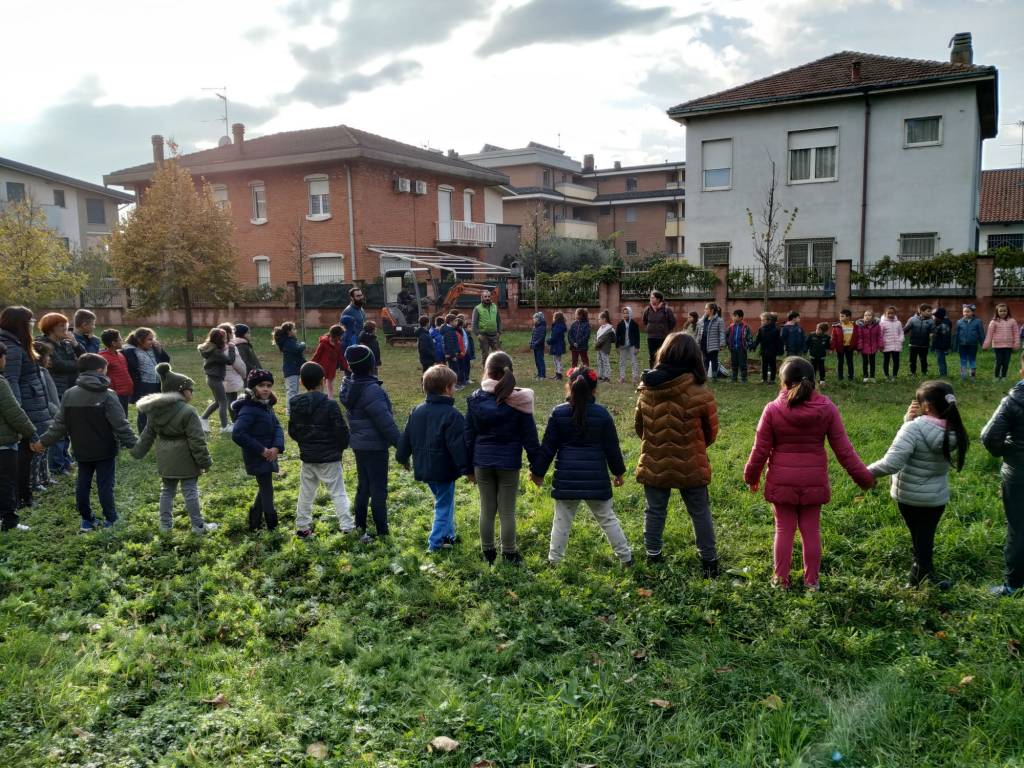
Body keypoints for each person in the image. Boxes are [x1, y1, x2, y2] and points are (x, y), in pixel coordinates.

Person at [744, 357, 875, 591]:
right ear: (813, 382)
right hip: (814, 482)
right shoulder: (827, 409)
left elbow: (760, 450)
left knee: (783, 530)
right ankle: (812, 582)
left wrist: (751, 477)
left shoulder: (773, 409)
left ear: (783, 382)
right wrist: (864, 478)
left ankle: (780, 580)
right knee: (811, 531)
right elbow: (844, 451)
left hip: (781, 482)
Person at [867, 381, 967, 589]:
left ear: (927, 407)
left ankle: (919, 576)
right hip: (936, 499)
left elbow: (892, 463)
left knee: (918, 536)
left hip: (910, 497)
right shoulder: (954, 430)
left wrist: (865, 473)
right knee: (925, 536)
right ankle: (923, 572)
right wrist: (908, 421)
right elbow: (927, 436)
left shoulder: (913, 428)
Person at [634, 332, 719, 573]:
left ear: (663, 353)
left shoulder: (646, 389)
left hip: (654, 461)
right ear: (695, 358)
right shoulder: (701, 392)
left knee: (654, 510)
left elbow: (640, 429)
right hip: (691, 462)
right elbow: (710, 433)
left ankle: (653, 555)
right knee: (700, 511)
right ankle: (709, 561)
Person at [531, 366, 631, 566]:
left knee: (561, 522)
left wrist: (538, 472)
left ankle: (554, 560)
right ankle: (626, 557)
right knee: (607, 519)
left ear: (569, 387)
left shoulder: (558, 414)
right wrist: (618, 472)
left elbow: (548, 447)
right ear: (594, 390)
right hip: (596, 479)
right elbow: (612, 448)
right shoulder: (602, 415)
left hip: (567, 479)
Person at [34, 353, 138, 531]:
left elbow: (59, 425)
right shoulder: (108, 394)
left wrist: (42, 442)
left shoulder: (69, 394)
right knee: (105, 485)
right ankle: (111, 519)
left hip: (81, 450)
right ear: (100, 370)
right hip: (105, 450)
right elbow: (121, 425)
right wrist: (136, 446)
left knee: (83, 483)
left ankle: (86, 520)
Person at [465, 351, 541, 564]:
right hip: (508, 464)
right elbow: (531, 440)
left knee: (486, 509)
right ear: (509, 373)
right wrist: (537, 469)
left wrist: (468, 468)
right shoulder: (521, 401)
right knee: (507, 511)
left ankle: (487, 552)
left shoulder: (474, 400)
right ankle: (509, 553)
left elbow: (468, 436)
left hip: (482, 462)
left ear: (487, 371)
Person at [131, 362, 217, 534]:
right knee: (190, 490)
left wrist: (137, 451)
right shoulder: (188, 411)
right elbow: (197, 440)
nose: (192, 391)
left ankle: (165, 526)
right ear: (180, 390)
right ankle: (198, 526)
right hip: (185, 456)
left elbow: (148, 434)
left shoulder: (155, 410)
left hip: (164, 455)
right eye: (189, 388)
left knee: (167, 490)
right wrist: (204, 461)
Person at [396, 364, 470, 552]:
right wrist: (468, 470)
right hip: (443, 469)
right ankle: (435, 543)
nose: (454, 389)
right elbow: (459, 447)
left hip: (424, 467)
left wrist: (402, 456)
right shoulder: (452, 416)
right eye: (454, 386)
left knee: (444, 501)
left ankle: (448, 536)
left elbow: (406, 437)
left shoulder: (416, 411)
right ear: (447, 389)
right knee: (443, 505)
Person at [340, 344, 401, 543]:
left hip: (359, 445)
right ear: (371, 365)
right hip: (375, 447)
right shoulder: (371, 391)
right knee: (378, 489)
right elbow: (385, 423)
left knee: (363, 487)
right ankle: (383, 532)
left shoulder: (349, 386)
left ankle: (360, 527)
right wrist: (402, 445)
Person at [288, 362, 353, 539]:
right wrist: (341, 446)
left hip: (308, 457)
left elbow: (293, 431)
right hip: (329, 457)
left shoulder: (294, 403)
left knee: (306, 493)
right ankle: (347, 527)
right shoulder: (330, 405)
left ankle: (302, 527)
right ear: (323, 381)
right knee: (338, 492)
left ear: (301, 382)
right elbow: (341, 430)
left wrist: (305, 443)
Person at [981, 351, 1024, 596]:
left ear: (1021, 371)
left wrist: (1007, 450)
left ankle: (1014, 584)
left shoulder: (1014, 400)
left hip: (1019, 472)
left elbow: (989, 436)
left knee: (1019, 526)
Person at [0, 306, 50, 509]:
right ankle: (22, 498)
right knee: (22, 456)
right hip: (24, 408)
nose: (32, 324)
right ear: (19, 323)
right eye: (30, 321)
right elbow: (10, 382)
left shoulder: (16, 343)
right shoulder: (10, 347)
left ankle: (24, 495)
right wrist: (18, 416)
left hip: (32, 404)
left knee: (26, 455)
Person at [231, 368, 285, 532]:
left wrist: (276, 447)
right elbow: (238, 433)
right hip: (258, 456)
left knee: (264, 487)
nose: (266, 389)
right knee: (267, 489)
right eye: (262, 385)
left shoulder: (267, 406)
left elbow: (277, 426)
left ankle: (254, 521)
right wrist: (261, 450)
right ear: (253, 387)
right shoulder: (249, 409)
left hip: (270, 453)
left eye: (269, 385)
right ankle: (272, 527)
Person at [37, 312, 83, 475]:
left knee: (69, 426)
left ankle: (65, 460)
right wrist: (77, 364)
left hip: (71, 387)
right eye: (60, 326)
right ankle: (57, 465)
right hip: (56, 389)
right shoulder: (43, 344)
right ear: (50, 328)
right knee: (58, 426)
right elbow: (59, 365)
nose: (65, 328)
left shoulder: (66, 342)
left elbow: (84, 358)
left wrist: (76, 344)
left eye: (66, 324)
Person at [0, 340, 37, 532]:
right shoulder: (0, 383)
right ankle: (9, 521)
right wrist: (31, 432)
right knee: (6, 483)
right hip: (4, 443)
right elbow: (14, 412)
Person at [123, 327, 170, 433]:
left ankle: (156, 431)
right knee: (144, 411)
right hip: (144, 385)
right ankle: (143, 434)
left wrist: (160, 350)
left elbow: (166, 361)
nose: (152, 341)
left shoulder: (153, 349)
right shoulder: (131, 351)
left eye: (153, 338)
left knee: (157, 409)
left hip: (157, 383)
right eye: (149, 339)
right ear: (140, 340)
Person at [198, 327, 236, 434]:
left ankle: (203, 418)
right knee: (223, 402)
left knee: (217, 402)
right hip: (215, 379)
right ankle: (224, 427)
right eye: (224, 338)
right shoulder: (216, 352)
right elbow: (229, 361)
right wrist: (232, 348)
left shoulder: (210, 347)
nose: (226, 340)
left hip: (211, 378)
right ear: (220, 340)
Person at [32, 342, 58, 491]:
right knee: (38, 451)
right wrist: (57, 412)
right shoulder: (39, 373)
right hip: (44, 414)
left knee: (45, 449)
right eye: (47, 356)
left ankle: (44, 477)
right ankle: (35, 482)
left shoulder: (43, 371)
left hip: (48, 415)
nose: (49, 359)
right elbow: (46, 398)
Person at [273, 322, 306, 413]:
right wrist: (303, 344)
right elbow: (297, 349)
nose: (296, 331)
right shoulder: (288, 342)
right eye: (294, 329)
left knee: (294, 390)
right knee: (292, 391)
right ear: (289, 332)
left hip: (294, 369)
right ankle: (289, 411)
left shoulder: (291, 340)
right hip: (291, 370)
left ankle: (293, 408)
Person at [99, 329, 133, 417]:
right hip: (115, 394)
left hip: (125, 393)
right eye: (120, 339)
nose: (122, 341)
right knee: (117, 418)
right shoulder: (103, 357)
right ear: (113, 343)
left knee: (124, 416)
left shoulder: (120, 355)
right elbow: (100, 375)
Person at [983, 303, 1020, 380]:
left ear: (1008, 311)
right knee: (999, 362)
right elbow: (989, 334)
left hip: (1008, 346)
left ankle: (1003, 376)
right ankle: (996, 376)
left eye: (1004, 311)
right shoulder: (993, 322)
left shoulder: (1012, 321)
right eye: (1001, 311)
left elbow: (1016, 333)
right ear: (997, 312)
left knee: (1006, 363)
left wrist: (1016, 344)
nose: (1003, 312)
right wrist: (986, 344)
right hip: (997, 346)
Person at [217, 322, 248, 413]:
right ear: (229, 334)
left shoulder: (215, 347)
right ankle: (235, 421)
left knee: (223, 400)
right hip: (231, 378)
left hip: (219, 378)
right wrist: (244, 374)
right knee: (232, 401)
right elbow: (238, 364)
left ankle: (228, 421)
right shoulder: (231, 347)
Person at [642, 290, 676, 368]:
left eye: (653, 297)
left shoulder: (666, 310)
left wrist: (665, 330)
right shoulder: (647, 310)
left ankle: (662, 371)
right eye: (651, 297)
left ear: (658, 299)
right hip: (651, 337)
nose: (651, 299)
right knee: (652, 356)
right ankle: (652, 372)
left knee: (663, 355)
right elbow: (645, 321)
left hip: (663, 337)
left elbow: (672, 322)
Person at [952, 303, 985, 380]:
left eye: (968, 311)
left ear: (972, 312)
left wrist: (983, 344)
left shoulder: (978, 322)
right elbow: (956, 334)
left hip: (972, 344)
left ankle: (972, 376)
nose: (966, 313)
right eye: (964, 312)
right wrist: (955, 345)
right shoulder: (959, 322)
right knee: (963, 359)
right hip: (962, 344)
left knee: (972, 359)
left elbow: (981, 334)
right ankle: (963, 376)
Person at [471, 289, 502, 367]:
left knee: (498, 353)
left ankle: (498, 367)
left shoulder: (494, 306)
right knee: (485, 353)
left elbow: (499, 320)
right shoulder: (477, 308)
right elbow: (474, 323)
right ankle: (486, 369)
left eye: (489, 296)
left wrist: (499, 332)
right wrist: (478, 334)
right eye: (485, 297)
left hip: (494, 334)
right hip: (483, 335)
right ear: (481, 298)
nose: (487, 298)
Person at [696, 302, 726, 379]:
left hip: (713, 344)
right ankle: (705, 375)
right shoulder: (703, 320)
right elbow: (698, 325)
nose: (704, 310)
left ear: (712, 310)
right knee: (705, 360)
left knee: (714, 361)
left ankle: (714, 376)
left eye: (706, 309)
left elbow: (722, 332)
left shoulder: (719, 320)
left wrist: (722, 344)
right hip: (703, 343)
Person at [751, 312, 782, 384]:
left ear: (769, 321)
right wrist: (754, 346)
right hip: (764, 350)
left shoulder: (776, 330)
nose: (761, 322)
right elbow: (758, 339)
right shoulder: (761, 329)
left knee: (772, 365)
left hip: (772, 350)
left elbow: (779, 341)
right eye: (761, 320)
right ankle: (764, 379)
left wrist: (780, 350)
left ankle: (772, 380)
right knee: (764, 365)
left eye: (763, 320)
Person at [853, 309, 883, 383]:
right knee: (865, 362)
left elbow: (879, 336)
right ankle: (865, 376)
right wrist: (859, 347)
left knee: (872, 362)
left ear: (873, 317)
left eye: (869, 315)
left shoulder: (877, 326)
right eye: (865, 315)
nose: (867, 317)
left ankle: (872, 376)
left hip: (873, 347)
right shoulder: (860, 326)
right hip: (864, 347)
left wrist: (880, 345)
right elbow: (859, 337)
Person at [904, 304, 934, 377]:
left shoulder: (931, 321)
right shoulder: (912, 319)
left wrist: (932, 334)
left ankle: (924, 372)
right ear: (921, 311)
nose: (930, 313)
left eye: (930, 311)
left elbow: (933, 331)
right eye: (928, 311)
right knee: (912, 360)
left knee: (923, 360)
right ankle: (912, 372)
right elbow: (905, 330)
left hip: (924, 344)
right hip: (913, 344)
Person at [830, 309, 857, 382]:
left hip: (850, 347)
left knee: (850, 362)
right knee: (840, 362)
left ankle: (851, 377)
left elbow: (856, 337)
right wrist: (832, 348)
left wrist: (856, 348)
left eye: (842, 316)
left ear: (848, 317)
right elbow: (833, 338)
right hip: (840, 347)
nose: (840, 318)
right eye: (840, 316)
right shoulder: (837, 326)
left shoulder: (854, 326)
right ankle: (840, 377)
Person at [616, 306, 640, 386]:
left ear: (630, 314)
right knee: (622, 362)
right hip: (623, 346)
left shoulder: (634, 324)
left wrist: (637, 347)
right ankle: (622, 377)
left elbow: (637, 336)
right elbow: (617, 335)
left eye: (627, 313)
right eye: (624, 313)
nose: (625, 315)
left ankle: (634, 378)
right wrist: (617, 346)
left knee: (634, 362)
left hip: (632, 345)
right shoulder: (620, 324)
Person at [726, 309, 752, 384]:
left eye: (735, 316)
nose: (733, 318)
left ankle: (744, 378)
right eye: (733, 316)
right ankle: (734, 378)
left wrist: (748, 345)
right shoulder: (731, 327)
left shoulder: (746, 327)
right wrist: (728, 344)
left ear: (741, 318)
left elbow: (749, 337)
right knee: (734, 363)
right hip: (733, 348)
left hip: (742, 348)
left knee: (742, 364)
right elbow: (727, 336)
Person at [880, 306, 905, 382]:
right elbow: (880, 335)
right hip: (886, 345)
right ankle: (886, 375)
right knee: (886, 361)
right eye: (889, 313)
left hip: (896, 345)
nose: (891, 315)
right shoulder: (882, 323)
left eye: (892, 313)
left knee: (896, 361)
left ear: (895, 314)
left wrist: (900, 340)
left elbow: (901, 332)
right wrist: (881, 344)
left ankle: (894, 376)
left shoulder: (898, 323)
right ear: (885, 313)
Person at [594, 310, 615, 383]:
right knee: (599, 362)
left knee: (605, 362)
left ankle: (607, 377)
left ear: (604, 319)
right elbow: (599, 337)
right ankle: (601, 376)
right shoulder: (601, 328)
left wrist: (599, 343)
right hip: (599, 347)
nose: (598, 320)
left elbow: (613, 339)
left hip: (604, 348)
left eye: (599, 319)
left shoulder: (609, 328)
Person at [931, 307, 953, 378]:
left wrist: (945, 348)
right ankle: (943, 374)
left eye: (934, 316)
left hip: (940, 346)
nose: (933, 317)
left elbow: (944, 336)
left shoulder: (942, 324)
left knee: (941, 361)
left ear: (939, 316)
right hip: (941, 345)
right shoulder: (945, 322)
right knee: (941, 360)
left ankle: (943, 375)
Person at [548, 311, 567, 380]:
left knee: (558, 360)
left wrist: (549, 340)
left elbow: (555, 337)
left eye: (554, 317)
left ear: (556, 318)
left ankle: (559, 375)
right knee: (555, 360)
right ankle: (557, 373)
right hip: (556, 345)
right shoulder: (557, 325)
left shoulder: (558, 326)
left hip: (557, 345)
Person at [529, 312, 547, 380]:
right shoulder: (534, 327)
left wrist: (536, 343)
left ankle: (543, 375)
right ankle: (539, 374)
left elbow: (542, 337)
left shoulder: (542, 327)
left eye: (534, 318)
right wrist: (531, 342)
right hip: (535, 346)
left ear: (538, 319)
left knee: (540, 360)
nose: (533, 319)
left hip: (539, 346)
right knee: (536, 361)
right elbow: (532, 335)